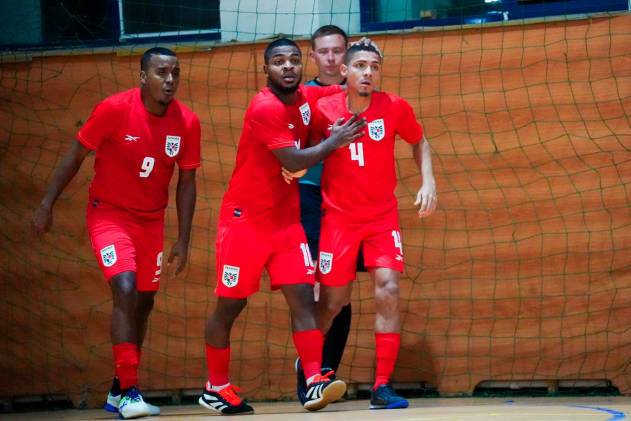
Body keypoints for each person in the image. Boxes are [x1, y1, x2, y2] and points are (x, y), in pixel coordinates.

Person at [198, 38, 365, 415]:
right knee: (230, 306)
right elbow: (291, 156)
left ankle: (312, 381)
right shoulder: (264, 107)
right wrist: (334, 141)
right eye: (278, 61)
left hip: (285, 221)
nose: (287, 66)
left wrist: (356, 70)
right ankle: (216, 387)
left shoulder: (303, 101)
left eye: (293, 60)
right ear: (266, 69)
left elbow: (321, 104)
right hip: (246, 221)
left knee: (304, 299)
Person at [32, 47, 201, 419]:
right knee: (123, 287)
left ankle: (118, 388)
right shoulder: (113, 109)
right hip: (109, 216)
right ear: (143, 77)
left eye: (175, 72)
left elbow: (187, 182)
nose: (169, 79)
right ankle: (129, 393)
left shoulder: (187, 122)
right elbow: (76, 154)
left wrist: (184, 239)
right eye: (161, 72)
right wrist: (46, 204)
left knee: (143, 302)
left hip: (151, 222)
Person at [311, 39, 438, 409]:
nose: (369, 72)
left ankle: (381, 386)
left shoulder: (394, 107)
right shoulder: (322, 108)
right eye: (361, 65)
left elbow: (420, 141)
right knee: (333, 302)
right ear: (345, 71)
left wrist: (428, 182)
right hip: (338, 218)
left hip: (382, 218)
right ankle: (312, 372)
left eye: (375, 67)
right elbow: (300, 145)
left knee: (388, 289)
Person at [293, 24, 363, 405]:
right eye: (325, 52)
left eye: (339, 51)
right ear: (314, 55)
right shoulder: (304, 96)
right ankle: (309, 371)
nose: (333, 58)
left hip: (351, 200)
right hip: (310, 196)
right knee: (317, 286)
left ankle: (327, 373)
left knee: (343, 291)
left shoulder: (359, 91)